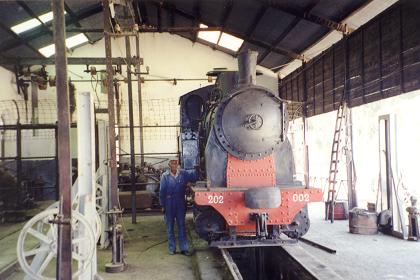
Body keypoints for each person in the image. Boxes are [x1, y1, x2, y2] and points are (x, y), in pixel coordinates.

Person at [159, 158, 198, 256]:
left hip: (180, 202)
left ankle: (184, 248)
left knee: (181, 226)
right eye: (172, 163)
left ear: (178, 165)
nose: (174, 165)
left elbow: (194, 177)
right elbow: (162, 191)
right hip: (169, 202)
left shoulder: (183, 174)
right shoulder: (165, 176)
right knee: (170, 226)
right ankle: (172, 248)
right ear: (169, 165)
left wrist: (197, 168)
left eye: (176, 163)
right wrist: (162, 205)